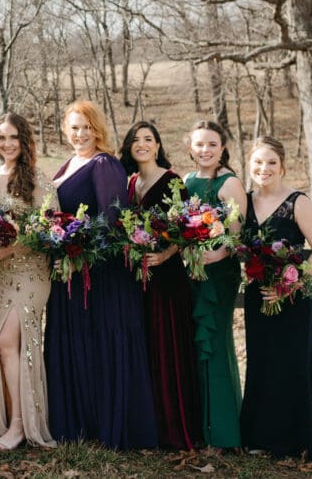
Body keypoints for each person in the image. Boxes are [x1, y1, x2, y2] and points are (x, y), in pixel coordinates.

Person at [44, 100, 156, 450]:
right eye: (74, 127)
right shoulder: (67, 164)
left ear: (98, 130)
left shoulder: (104, 164)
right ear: (65, 129)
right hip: (71, 270)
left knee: (102, 341)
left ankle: (111, 423)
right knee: (77, 340)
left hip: (100, 273)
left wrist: (80, 250)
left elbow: (111, 219)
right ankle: (79, 421)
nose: (80, 134)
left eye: (87, 127)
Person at [239, 136, 312, 459]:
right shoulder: (245, 202)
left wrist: (290, 282)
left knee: (291, 365)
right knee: (262, 364)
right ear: (249, 165)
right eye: (258, 162)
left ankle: (294, 440)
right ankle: (260, 437)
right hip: (257, 297)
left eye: (271, 162)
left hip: (291, 298)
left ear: (283, 165)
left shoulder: (297, 202)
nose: (264, 169)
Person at [119, 121, 201, 450]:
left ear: (157, 146)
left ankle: (174, 427)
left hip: (166, 278)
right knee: (144, 347)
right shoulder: (129, 184)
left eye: (148, 139)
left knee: (168, 348)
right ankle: (147, 425)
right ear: (129, 147)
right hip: (136, 278)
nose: (142, 144)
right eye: (136, 140)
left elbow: (187, 229)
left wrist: (164, 254)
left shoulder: (172, 181)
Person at [0, 113, 55, 450]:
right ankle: (14, 420)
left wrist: (11, 248)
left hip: (30, 272)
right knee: (7, 345)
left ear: (24, 141)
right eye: (1, 138)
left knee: (9, 342)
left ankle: (20, 426)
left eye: (13, 137)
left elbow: (49, 230)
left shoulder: (39, 179)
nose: (7, 144)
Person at [184, 120, 246, 449]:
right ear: (190, 149)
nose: (205, 150)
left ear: (222, 147)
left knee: (215, 346)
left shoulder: (230, 183)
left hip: (219, 276)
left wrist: (217, 254)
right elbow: (178, 225)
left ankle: (222, 432)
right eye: (199, 144)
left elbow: (238, 237)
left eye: (211, 144)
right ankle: (197, 427)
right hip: (191, 273)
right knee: (193, 346)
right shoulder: (186, 181)